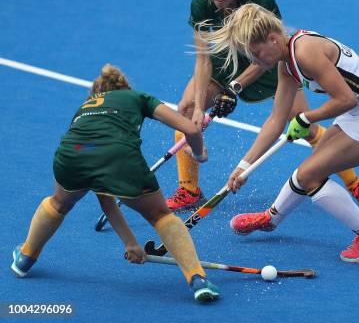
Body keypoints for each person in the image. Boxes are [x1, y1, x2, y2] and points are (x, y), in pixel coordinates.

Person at [168, 0, 359, 212]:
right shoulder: (201, 4)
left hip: (263, 64)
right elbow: (203, 59)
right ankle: (189, 190)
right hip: (225, 64)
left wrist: (233, 89)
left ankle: (356, 186)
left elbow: (272, 51)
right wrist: (200, 107)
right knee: (186, 109)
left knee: (304, 124)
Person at [200, 4, 359, 262]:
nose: (255, 63)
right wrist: (244, 166)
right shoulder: (286, 63)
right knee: (309, 169)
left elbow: (345, 99)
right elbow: (276, 119)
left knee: (310, 174)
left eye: (256, 54)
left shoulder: (305, 51)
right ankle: (271, 218)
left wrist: (306, 117)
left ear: (273, 38)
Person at [10, 64, 219, 302]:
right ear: (125, 87)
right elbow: (190, 128)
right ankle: (197, 280)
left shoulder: (84, 108)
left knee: (59, 203)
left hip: (72, 153)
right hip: (118, 156)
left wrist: (130, 243)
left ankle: (26, 257)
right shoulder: (137, 97)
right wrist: (199, 153)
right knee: (160, 215)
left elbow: (103, 191)